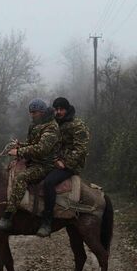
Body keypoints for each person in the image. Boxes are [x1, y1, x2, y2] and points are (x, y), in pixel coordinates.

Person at [0, 98, 60, 231]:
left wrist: (18, 151)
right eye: (31, 112)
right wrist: (20, 145)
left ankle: (8, 217)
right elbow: (31, 144)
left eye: (34, 112)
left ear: (42, 112)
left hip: (44, 165)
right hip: (33, 161)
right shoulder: (35, 125)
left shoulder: (51, 127)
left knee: (21, 178)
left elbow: (41, 149)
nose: (32, 115)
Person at [36, 97, 90, 237]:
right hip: (54, 161)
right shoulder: (55, 123)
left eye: (61, 109)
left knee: (49, 182)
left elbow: (81, 149)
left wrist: (65, 163)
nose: (59, 112)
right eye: (56, 109)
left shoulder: (77, 125)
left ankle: (47, 220)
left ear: (67, 109)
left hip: (70, 165)